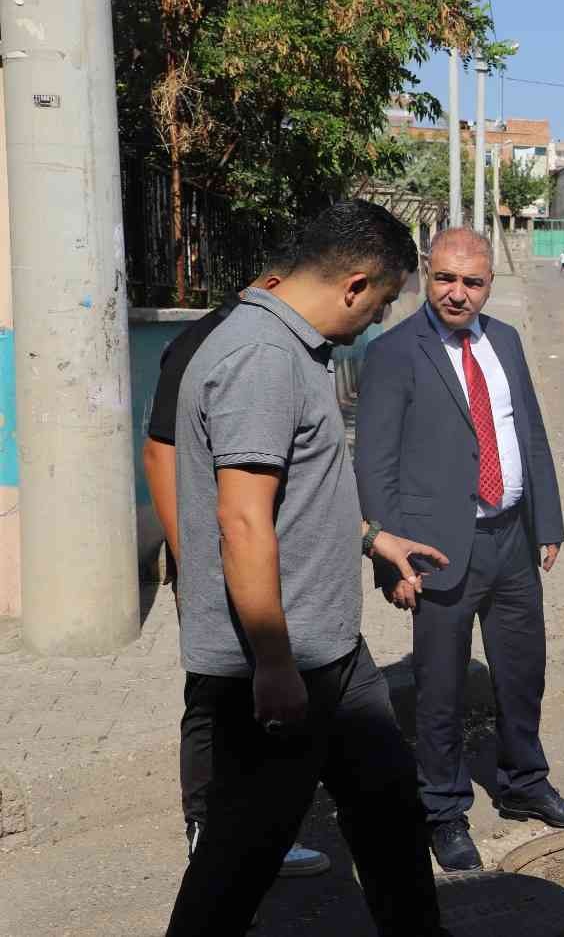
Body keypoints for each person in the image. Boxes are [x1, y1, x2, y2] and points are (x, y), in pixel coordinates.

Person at [164, 200, 451, 937]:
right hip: (283, 660)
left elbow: (292, 495)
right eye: (382, 303)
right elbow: (242, 519)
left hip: (332, 653)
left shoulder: (287, 347)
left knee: (389, 812)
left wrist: (369, 538)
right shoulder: (260, 358)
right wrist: (273, 663)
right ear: (354, 285)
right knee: (237, 859)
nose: (379, 321)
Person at [355, 227, 564, 873]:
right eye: (445, 279)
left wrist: (548, 520)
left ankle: (524, 783)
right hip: (436, 549)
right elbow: (374, 465)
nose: (458, 293)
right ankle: (442, 809)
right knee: (440, 690)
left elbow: (532, 435)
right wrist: (389, 557)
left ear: (490, 283)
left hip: (513, 538)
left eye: (472, 282)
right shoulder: (394, 353)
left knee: (523, 672)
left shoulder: (507, 342)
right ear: (425, 277)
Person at [143, 240, 334, 878]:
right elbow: (160, 454)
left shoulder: (271, 345)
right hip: (217, 554)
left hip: (253, 555)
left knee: (259, 700)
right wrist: (193, 560)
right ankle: (210, 831)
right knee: (214, 696)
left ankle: (257, 832)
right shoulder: (217, 345)